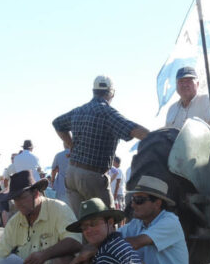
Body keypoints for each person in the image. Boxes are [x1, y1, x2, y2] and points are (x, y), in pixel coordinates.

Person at [163, 66, 210, 264]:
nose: (185, 85)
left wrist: (208, 128)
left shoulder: (207, 101)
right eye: (181, 82)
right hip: (179, 172)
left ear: (197, 84)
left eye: (189, 81)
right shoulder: (172, 109)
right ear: (176, 86)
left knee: (209, 217)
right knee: (182, 218)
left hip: (205, 168)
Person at [52, 75, 150, 213]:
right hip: (92, 175)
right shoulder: (107, 113)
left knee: (80, 222)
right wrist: (157, 137)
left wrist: (70, 144)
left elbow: (57, 123)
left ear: (93, 90)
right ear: (112, 93)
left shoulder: (79, 110)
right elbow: (133, 130)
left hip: (72, 172)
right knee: (106, 219)